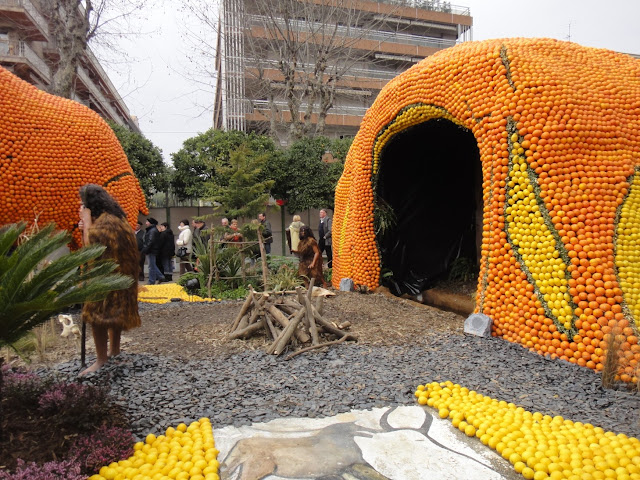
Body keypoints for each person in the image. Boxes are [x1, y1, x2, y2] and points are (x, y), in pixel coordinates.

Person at [78, 184, 141, 375]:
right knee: (116, 314)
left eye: (82, 204)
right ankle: (114, 351)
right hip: (121, 278)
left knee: (98, 317)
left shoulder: (106, 223)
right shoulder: (117, 220)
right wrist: (87, 227)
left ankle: (101, 360)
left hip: (107, 279)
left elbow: (91, 249)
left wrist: (87, 223)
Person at [141, 217, 163, 285]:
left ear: (151, 223)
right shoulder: (152, 230)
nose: (146, 223)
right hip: (151, 249)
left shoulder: (152, 230)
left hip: (151, 250)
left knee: (151, 266)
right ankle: (160, 276)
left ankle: (152, 280)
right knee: (152, 265)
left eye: (147, 222)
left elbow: (151, 241)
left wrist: (146, 248)